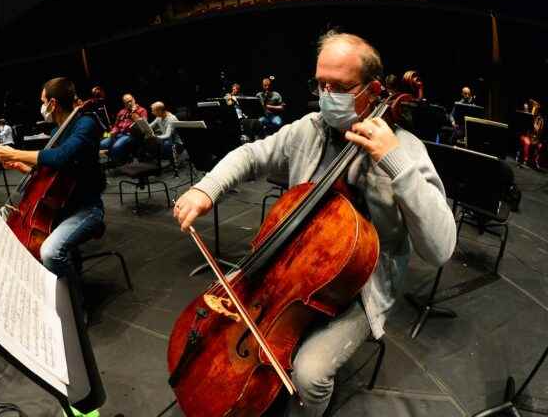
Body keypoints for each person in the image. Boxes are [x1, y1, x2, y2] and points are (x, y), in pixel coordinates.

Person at [172, 31, 456, 417]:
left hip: (360, 287)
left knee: (308, 375)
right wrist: (208, 189)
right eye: (320, 83)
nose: (326, 96)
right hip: (288, 268)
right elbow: (253, 154)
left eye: (338, 87)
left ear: (372, 89)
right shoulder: (311, 127)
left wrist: (395, 163)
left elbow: (440, 248)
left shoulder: (405, 150)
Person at [0, 77, 105, 278]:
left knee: (49, 253)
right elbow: (55, 178)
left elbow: (62, 158)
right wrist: (24, 167)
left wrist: (14, 153)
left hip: (86, 209)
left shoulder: (86, 124)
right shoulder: (56, 131)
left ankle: (73, 305)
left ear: (53, 104)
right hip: (59, 208)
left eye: (43, 102)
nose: (42, 107)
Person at [100, 93, 148, 163]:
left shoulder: (142, 110)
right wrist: (113, 131)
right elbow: (116, 125)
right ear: (124, 103)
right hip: (118, 134)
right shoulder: (121, 112)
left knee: (116, 147)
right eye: (127, 102)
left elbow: (142, 126)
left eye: (130, 101)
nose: (129, 103)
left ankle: (117, 162)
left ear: (134, 99)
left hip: (130, 135)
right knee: (102, 144)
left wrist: (134, 111)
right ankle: (114, 158)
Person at [519, 98, 544, 169]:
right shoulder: (528, 115)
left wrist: (532, 120)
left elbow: (537, 130)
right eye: (533, 107)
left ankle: (535, 162)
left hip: (534, 138)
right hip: (525, 135)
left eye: (535, 108)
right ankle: (525, 161)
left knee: (540, 146)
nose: (534, 109)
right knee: (527, 142)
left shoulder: (540, 119)